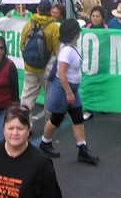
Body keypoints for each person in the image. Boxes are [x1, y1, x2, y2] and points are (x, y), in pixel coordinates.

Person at [39, 19, 100, 165]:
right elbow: (61, 74)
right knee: (56, 119)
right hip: (65, 90)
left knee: (78, 117)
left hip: (71, 89)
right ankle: (44, 143)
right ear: (76, 35)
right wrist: (68, 93)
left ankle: (82, 148)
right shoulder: (67, 51)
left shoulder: (68, 47)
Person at [0, 105, 62, 197]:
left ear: (28, 130)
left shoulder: (41, 163)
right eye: (10, 128)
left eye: (20, 128)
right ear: (4, 130)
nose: (15, 133)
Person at [19, 1, 60, 116]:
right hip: (47, 68)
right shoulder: (53, 27)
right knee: (49, 95)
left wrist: (26, 59)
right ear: (50, 11)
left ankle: (25, 123)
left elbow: (22, 44)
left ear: (37, 10)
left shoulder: (29, 24)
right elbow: (57, 50)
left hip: (30, 66)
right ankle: (49, 123)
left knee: (27, 96)